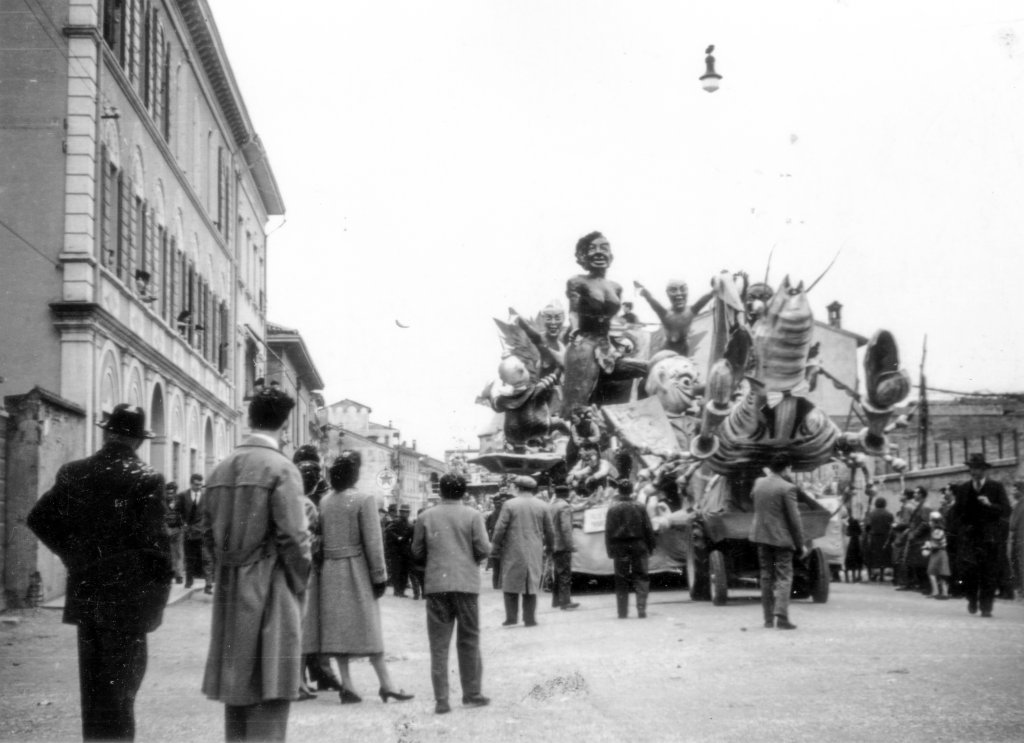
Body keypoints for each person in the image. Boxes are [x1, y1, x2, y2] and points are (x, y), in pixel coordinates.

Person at [27, 403, 172, 741]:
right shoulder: (147, 479)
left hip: (87, 592)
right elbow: (157, 548)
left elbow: (39, 518)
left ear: (107, 432)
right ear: (137, 440)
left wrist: (72, 555)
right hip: (129, 601)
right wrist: (157, 600)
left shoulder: (74, 472)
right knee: (123, 690)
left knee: (94, 689)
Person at [201, 388, 312, 741]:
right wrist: (299, 582)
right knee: (272, 686)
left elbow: (205, 531)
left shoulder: (220, 468)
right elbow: (295, 537)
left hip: (230, 587)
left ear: (250, 417)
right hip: (271, 584)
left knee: (237, 688)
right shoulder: (282, 468)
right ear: (285, 423)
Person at [317, 451, 413, 704]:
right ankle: (386, 684)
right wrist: (379, 575)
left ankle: (347, 685)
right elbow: (373, 541)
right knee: (369, 626)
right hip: (355, 570)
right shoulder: (363, 499)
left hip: (330, 570)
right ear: (354, 474)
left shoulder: (325, 501)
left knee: (338, 630)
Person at [411, 473, 492, 715]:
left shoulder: (425, 516)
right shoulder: (473, 515)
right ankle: (471, 693)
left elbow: (416, 551)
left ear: (441, 491)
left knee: (438, 645)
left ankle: (442, 700)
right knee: (469, 640)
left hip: (437, 585)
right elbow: (484, 549)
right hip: (466, 584)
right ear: (464, 492)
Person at [749, 453, 807, 630]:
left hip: (760, 536)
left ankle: (768, 619)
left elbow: (753, 496)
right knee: (784, 576)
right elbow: (794, 520)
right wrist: (800, 544)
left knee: (766, 576)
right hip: (781, 539)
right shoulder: (787, 488)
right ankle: (781, 616)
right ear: (787, 468)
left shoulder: (759, 483)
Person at [949, 453, 1011, 617]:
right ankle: (971, 598)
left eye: (976, 469)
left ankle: (986, 606)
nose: (973, 472)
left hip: (989, 538)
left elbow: (1006, 510)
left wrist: (990, 505)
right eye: (971, 468)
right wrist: (959, 530)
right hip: (969, 537)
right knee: (968, 571)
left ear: (984, 470)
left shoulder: (996, 487)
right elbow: (956, 512)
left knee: (988, 572)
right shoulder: (963, 489)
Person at [490, 475, 555, 627]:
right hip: (534, 548)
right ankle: (529, 618)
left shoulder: (509, 504)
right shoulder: (542, 505)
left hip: (513, 548)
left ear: (518, 488)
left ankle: (511, 618)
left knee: (510, 581)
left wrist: (495, 546)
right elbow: (550, 530)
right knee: (531, 583)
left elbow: (500, 528)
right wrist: (551, 547)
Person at [604, 479, 656, 619]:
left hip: (619, 546)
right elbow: (648, 528)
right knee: (641, 577)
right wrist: (651, 545)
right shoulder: (639, 506)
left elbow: (608, 531)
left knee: (621, 579)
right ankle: (641, 609)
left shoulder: (612, 508)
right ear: (632, 490)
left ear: (618, 491)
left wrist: (609, 550)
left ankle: (622, 612)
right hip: (639, 545)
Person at [633, 278, 713, 357]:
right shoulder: (666, 314)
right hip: (668, 347)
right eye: (673, 290)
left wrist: (715, 290)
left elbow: (704, 300)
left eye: (683, 289)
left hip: (683, 348)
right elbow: (654, 303)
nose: (679, 293)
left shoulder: (690, 311)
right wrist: (645, 292)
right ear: (668, 294)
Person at [549, 484, 579, 610]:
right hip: (562, 545)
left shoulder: (552, 506)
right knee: (565, 573)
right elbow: (566, 528)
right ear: (567, 494)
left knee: (557, 572)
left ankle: (556, 600)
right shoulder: (565, 506)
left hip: (553, 544)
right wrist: (570, 545)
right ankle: (565, 601)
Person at [183, 472, 213, 593]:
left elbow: (211, 513)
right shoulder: (183, 496)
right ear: (191, 484)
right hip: (189, 533)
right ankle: (189, 581)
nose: (199, 487)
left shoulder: (207, 497)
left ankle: (208, 585)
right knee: (190, 559)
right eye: (196, 484)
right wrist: (182, 524)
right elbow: (176, 513)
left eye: (201, 485)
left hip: (203, 533)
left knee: (207, 559)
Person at [384, 504, 416, 597]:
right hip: (396, 551)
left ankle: (401, 590)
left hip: (405, 551)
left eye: (406, 512)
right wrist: (397, 537)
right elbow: (388, 531)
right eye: (403, 512)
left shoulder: (410, 524)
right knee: (397, 571)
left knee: (404, 572)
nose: (405, 513)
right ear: (400, 512)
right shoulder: (395, 522)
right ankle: (397, 590)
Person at [864, 495, 895, 582]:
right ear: (885, 504)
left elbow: (867, 526)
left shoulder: (871, 514)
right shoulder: (889, 514)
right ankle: (881, 575)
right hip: (885, 538)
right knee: (883, 557)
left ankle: (871, 575)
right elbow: (891, 526)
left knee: (872, 557)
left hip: (873, 537)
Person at [923, 511, 951, 600]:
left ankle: (936, 592)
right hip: (941, 552)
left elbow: (935, 544)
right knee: (942, 573)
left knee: (931, 572)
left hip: (938, 553)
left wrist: (927, 545)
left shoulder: (937, 531)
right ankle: (944, 592)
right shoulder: (939, 530)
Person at [164, 481, 187, 584]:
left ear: (175, 492)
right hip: (167, 529)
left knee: (179, 553)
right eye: (168, 493)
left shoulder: (179, 501)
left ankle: (179, 575)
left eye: (171, 493)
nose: (170, 495)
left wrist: (183, 525)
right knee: (170, 552)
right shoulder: (163, 502)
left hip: (178, 530)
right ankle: (172, 572)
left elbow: (184, 513)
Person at [1009, 480, 1024, 601]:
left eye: (1014, 489)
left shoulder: (1020, 504)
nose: (1012, 492)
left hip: (1020, 539)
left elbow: (1012, 525)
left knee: (1020, 565)